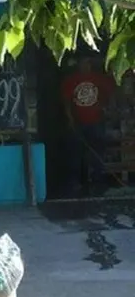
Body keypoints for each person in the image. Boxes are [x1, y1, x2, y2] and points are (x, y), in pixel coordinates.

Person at [60, 56, 115, 195]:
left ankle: (98, 181)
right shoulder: (72, 80)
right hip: (78, 122)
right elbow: (66, 101)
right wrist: (70, 118)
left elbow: (110, 94)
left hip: (96, 121)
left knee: (97, 152)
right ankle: (75, 182)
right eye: (82, 63)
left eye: (87, 63)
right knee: (75, 154)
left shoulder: (98, 79)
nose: (85, 66)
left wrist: (104, 108)